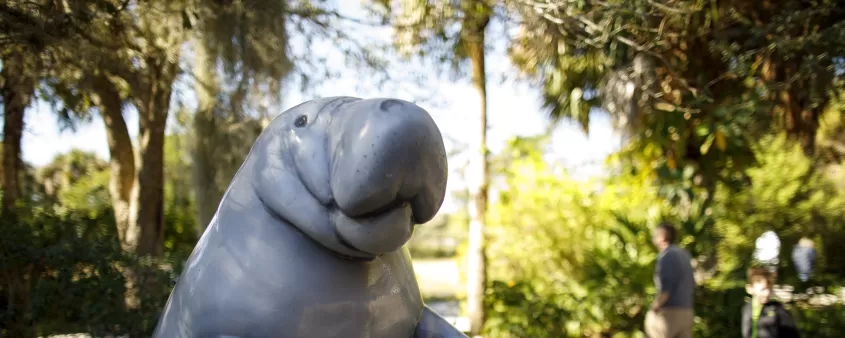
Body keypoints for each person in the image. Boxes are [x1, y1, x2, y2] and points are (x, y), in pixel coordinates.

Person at [645, 222, 695, 338]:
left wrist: (654, 308)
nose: (653, 239)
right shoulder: (685, 255)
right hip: (687, 310)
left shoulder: (666, 256)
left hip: (669, 313)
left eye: (655, 235)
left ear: (662, 236)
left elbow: (665, 289)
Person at [742, 267, 801, 338]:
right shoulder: (747, 309)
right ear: (749, 289)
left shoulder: (778, 309)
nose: (767, 293)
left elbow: (793, 334)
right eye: (763, 290)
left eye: (770, 289)